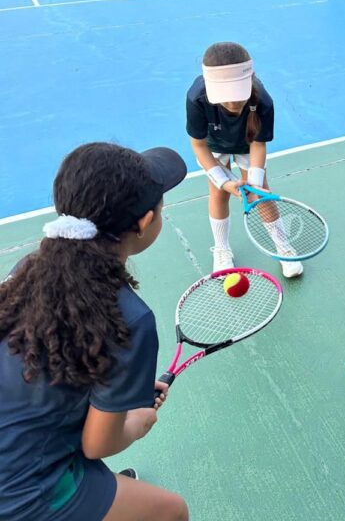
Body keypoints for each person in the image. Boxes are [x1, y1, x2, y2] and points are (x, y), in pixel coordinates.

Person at [0, 143, 189, 521]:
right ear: (145, 222)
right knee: (171, 512)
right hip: (24, 491)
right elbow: (96, 444)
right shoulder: (131, 320)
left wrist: (118, 394)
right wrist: (137, 421)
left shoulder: (28, 272)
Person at [186, 41, 302, 278]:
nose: (232, 105)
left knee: (261, 193)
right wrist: (224, 181)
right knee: (218, 192)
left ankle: (283, 246)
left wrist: (256, 182)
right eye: (225, 99)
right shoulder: (196, 98)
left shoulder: (263, 101)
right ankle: (221, 249)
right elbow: (198, 145)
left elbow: (258, 143)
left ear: (251, 79)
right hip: (214, 144)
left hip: (248, 144)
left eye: (237, 97)